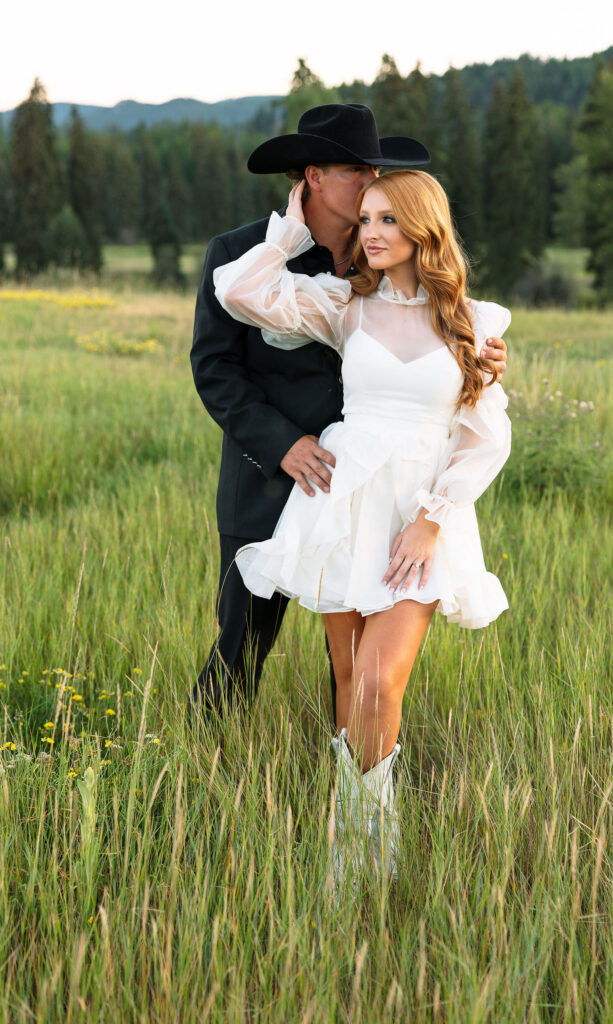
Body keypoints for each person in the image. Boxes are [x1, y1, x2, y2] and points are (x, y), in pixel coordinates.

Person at [212, 169, 512, 884]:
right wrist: (288, 228)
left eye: (386, 221)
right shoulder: (346, 306)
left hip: (418, 518)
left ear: (422, 230)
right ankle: (351, 864)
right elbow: (240, 291)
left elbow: (484, 438)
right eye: (365, 220)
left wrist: (431, 523)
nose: (370, 234)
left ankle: (372, 850)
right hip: (344, 505)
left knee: (379, 681)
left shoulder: (475, 323)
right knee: (348, 676)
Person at [188, 104, 508, 727]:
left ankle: (352, 789)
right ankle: (203, 767)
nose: (371, 182)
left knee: (358, 672)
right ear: (312, 175)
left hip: (377, 490)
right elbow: (215, 370)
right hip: (269, 478)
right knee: (240, 647)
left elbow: (433, 340)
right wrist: (282, 444)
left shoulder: (380, 260)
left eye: (375, 173)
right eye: (356, 170)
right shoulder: (242, 252)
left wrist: (481, 354)